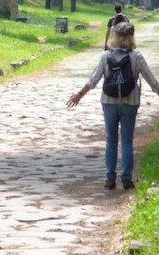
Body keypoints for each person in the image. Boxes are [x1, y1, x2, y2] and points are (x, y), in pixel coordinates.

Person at [67, 22, 159, 190]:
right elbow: (153, 83)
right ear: (131, 37)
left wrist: (79, 95)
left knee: (110, 140)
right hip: (130, 103)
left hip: (108, 102)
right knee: (127, 141)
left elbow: (93, 80)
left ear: (114, 37)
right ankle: (126, 178)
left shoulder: (105, 57)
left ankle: (110, 178)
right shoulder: (136, 57)